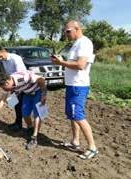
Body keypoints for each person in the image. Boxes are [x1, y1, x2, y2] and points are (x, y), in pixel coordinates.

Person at [51, 20, 98, 160]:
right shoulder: (75, 44)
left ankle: (92, 147)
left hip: (78, 85)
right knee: (72, 115)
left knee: (78, 115)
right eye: (65, 32)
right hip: (72, 85)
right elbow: (72, 63)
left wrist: (61, 62)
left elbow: (80, 65)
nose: (66, 34)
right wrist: (59, 61)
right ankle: (75, 141)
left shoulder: (84, 43)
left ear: (77, 29)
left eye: (68, 31)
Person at [0, 70, 47, 150]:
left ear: (8, 82)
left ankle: (34, 138)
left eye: (4, 87)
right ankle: (30, 128)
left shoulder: (22, 78)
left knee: (37, 113)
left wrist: (44, 95)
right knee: (25, 113)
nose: (4, 89)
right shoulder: (9, 84)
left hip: (38, 91)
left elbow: (41, 79)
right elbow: (3, 100)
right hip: (27, 93)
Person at [0, 45, 27, 131]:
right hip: (12, 84)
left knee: (21, 105)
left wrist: (12, 82)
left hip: (20, 83)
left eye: (0, 56)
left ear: (3, 51)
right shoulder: (3, 60)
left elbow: (22, 73)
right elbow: (7, 73)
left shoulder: (15, 58)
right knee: (15, 103)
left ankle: (26, 126)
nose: (0, 59)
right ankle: (18, 123)